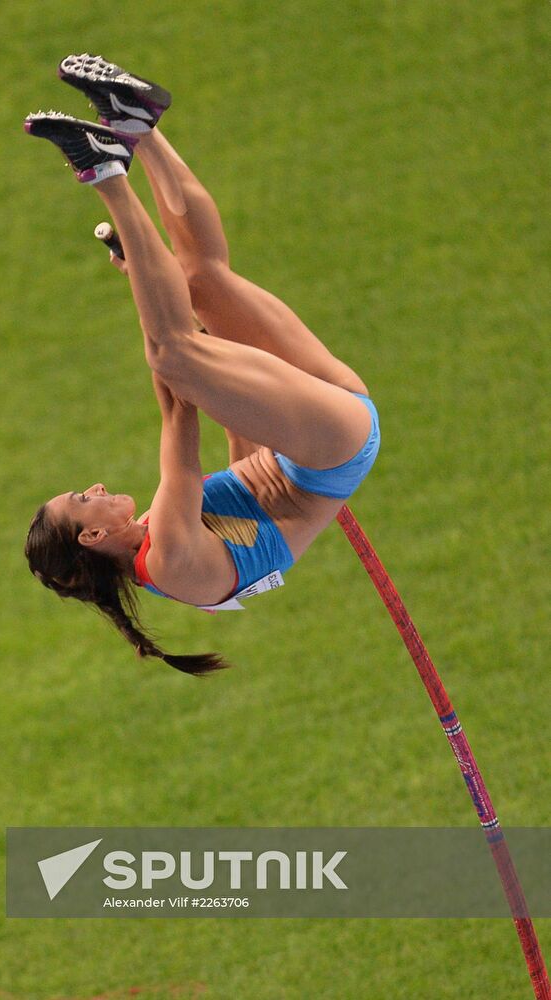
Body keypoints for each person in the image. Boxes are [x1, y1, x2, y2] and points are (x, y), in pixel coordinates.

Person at [24, 54, 381, 676]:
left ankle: (139, 126)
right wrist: (158, 307)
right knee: (172, 351)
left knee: (202, 281)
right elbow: (178, 417)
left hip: (317, 426)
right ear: (91, 537)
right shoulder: (168, 565)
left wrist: (169, 297)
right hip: (330, 448)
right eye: (84, 499)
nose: (97, 488)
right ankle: (105, 173)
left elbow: (245, 463)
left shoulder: (167, 551)